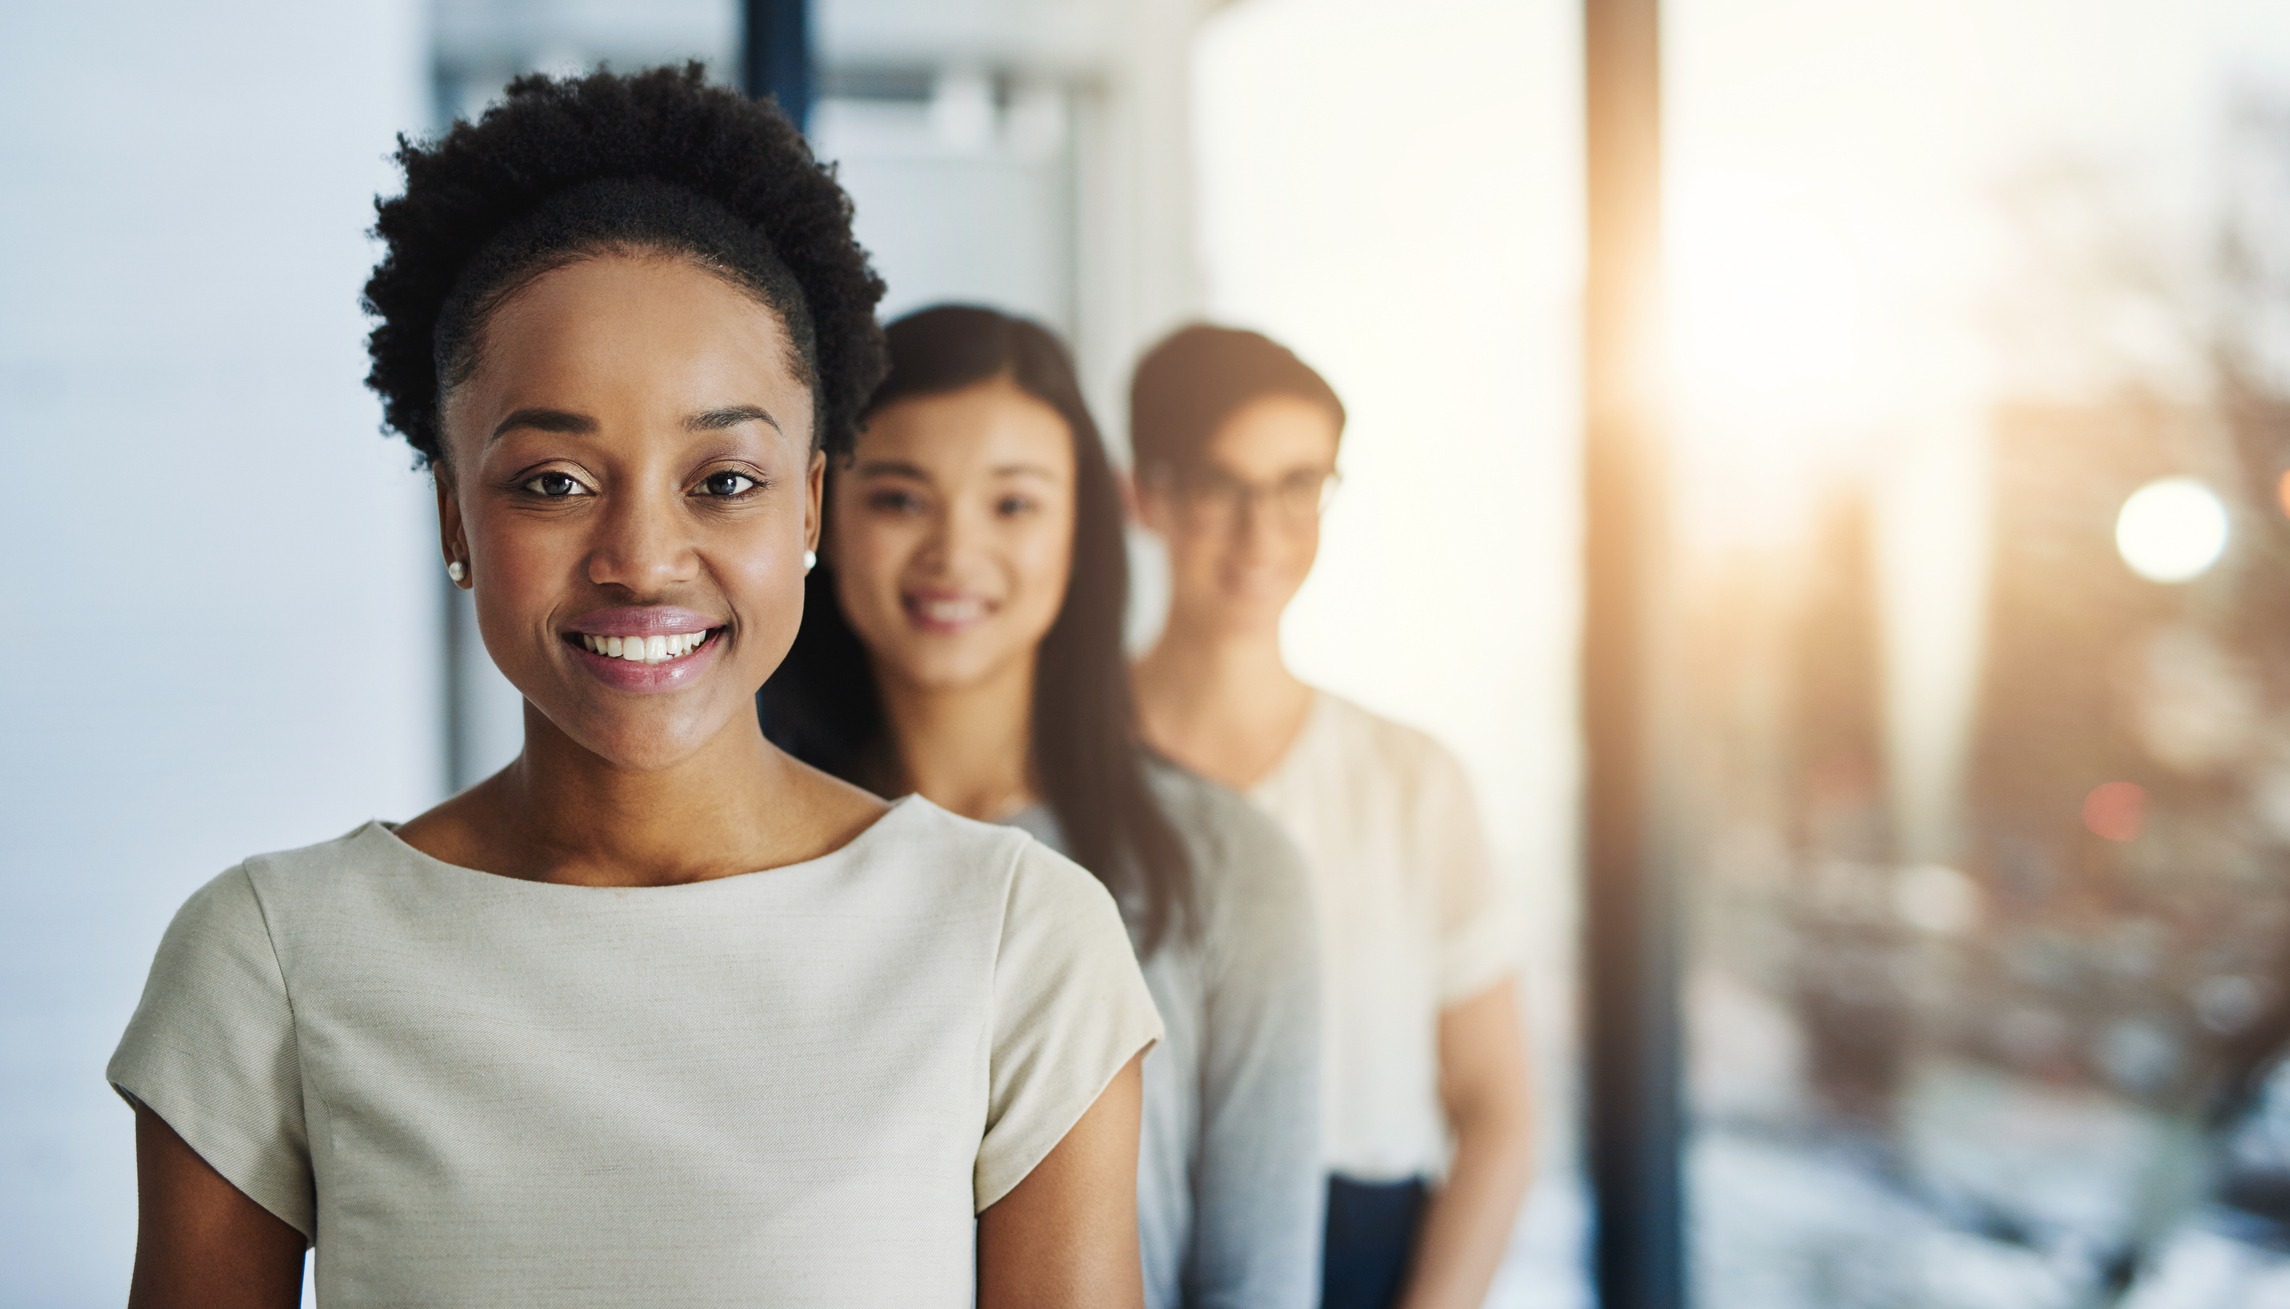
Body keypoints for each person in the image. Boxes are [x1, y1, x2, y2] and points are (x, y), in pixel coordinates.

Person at [108, 68, 1160, 1309]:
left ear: (811, 504)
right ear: (454, 510)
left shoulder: (1013, 940)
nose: (642, 560)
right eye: (553, 479)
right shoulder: (272, 958)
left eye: (722, 480)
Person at [763, 305, 1323, 1309]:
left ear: (1082, 528)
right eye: (898, 499)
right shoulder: (738, 853)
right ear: (821, 516)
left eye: (1012, 505)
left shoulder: (1230, 869)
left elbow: (1257, 1283)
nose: (953, 552)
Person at [1126, 325, 1535, 1309]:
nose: (1261, 532)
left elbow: (1496, 1110)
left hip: (1369, 1258)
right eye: (1223, 485)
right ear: (1144, 493)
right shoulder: (1058, 773)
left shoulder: (1410, 783)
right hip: (1123, 1246)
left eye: (1299, 483)